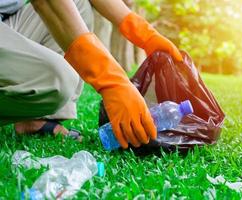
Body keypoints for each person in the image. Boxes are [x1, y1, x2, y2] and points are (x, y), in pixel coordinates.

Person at [0, 0, 182, 148]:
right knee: (57, 80)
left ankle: (35, 121)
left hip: (8, 22)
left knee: (79, 4)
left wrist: (143, 33)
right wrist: (111, 82)